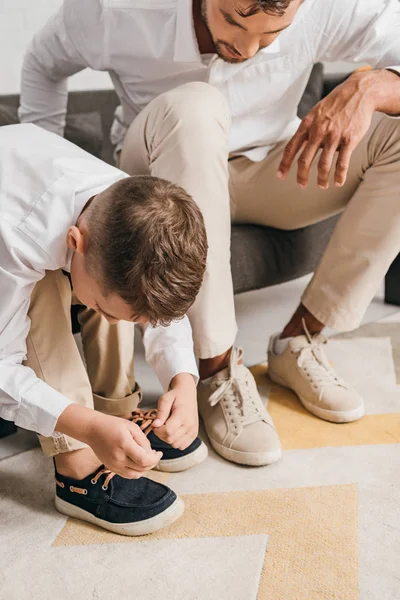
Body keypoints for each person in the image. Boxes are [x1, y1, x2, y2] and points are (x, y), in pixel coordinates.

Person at [19, 0, 400, 467]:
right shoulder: (113, 10)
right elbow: (43, 61)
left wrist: (374, 82)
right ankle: (217, 372)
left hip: (272, 167)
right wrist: (50, 160)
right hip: (158, 172)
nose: (246, 48)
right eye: (234, 21)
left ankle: (300, 339)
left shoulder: (324, 6)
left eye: (270, 35)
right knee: (197, 104)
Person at [0, 123, 209, 535]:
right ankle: (77, 462)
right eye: (101, 311)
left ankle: (116, 415)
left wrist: (183, 382)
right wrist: (85, 428)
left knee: (118, 289)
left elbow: (154, 303)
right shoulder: (15, 236)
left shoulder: (127, 207)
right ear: (76, 241)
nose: (115, 325)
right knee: (44, 294)